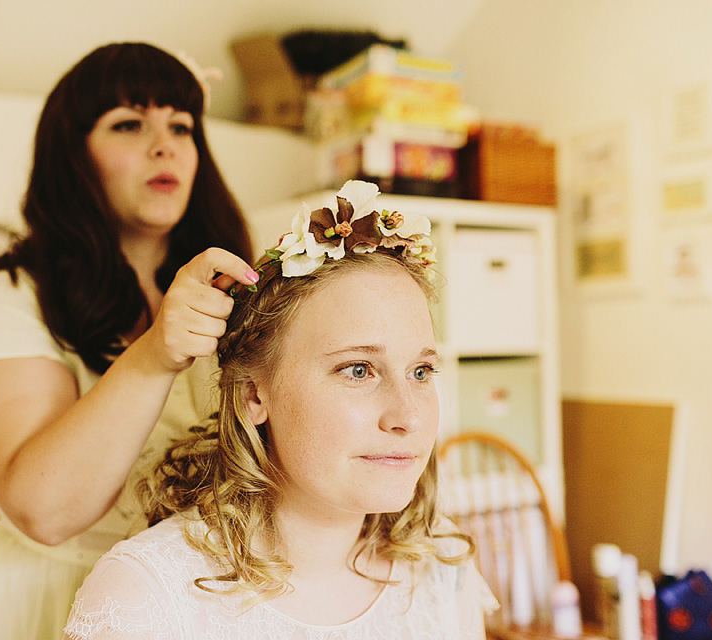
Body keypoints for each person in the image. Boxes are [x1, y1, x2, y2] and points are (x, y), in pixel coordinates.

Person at [63, 180, 499, 639]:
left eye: (421, 372)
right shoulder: (145, 599)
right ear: (254, 395)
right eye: (358, 370)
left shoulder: (440, 570)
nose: (407, 417)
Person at [0, 42, 257, 640]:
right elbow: (46, 509)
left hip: (200, 596)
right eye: (129, 123)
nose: (164, 144)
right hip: (52, 599)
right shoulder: (13, 297)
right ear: (72, 154)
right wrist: (154, 355)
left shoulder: (235, 280)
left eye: (181, 126)